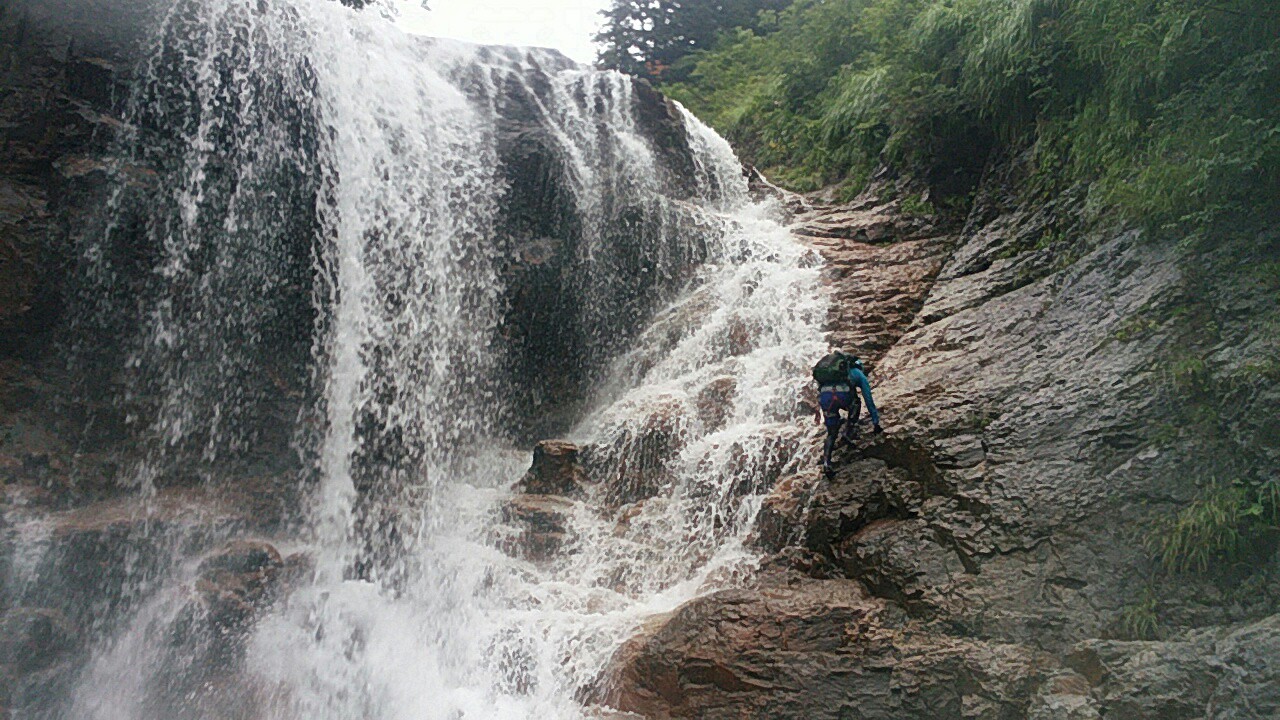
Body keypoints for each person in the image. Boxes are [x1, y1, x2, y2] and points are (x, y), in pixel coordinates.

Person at [812, 350, 883, 473]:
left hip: (826, 398)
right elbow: (868, 398)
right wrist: (875, 422)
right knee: (856, 403)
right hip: (842, 396)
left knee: (831, 433)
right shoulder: (857, 373)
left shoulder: (829, 374)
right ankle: (848, 432)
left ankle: (826, 463)